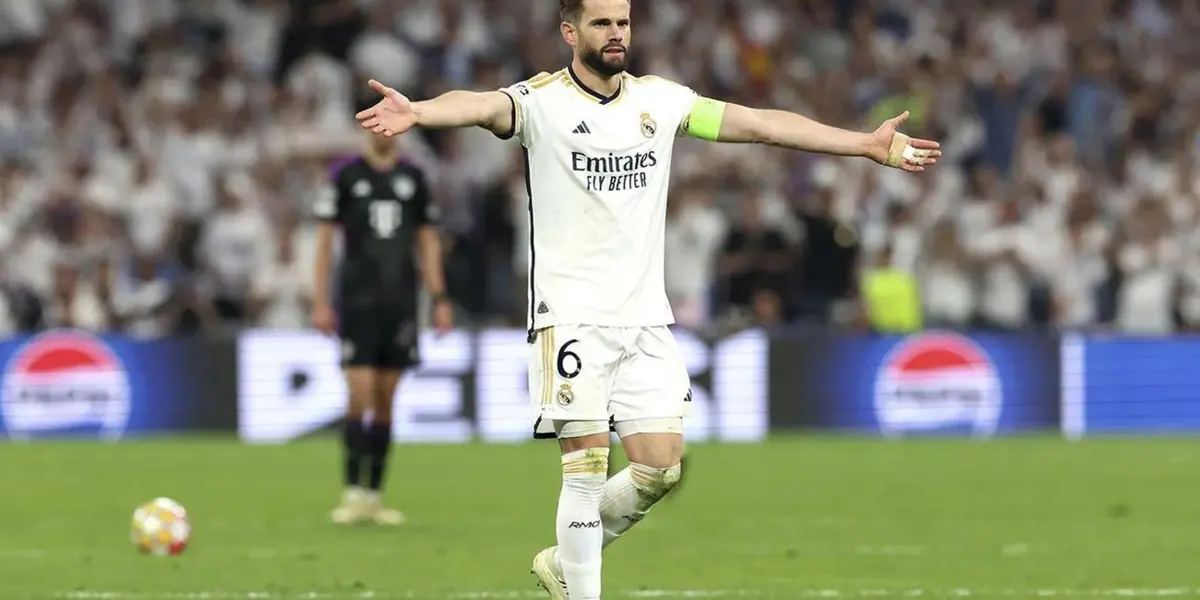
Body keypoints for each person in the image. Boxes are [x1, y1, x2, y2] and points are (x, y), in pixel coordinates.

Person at [354, 0, 940, 594]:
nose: (616, 34)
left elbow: (762, 124)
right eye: (602, 23)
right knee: (585, 468)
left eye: (624, 23)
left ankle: (568, 558)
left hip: (645, 318)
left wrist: (864, 144)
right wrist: (420, 112)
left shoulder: (662, 102)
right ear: (569, 30)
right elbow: (480, 105)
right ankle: (583, 588)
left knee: (660, 466)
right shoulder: (540, 103)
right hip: (572, 315)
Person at [311, 120, 454, 526]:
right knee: (360, 392)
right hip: (356, 302)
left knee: (387, 400)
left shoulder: (413, 178)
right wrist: (321, 301)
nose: (385, 132)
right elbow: (325, 242)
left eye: (391, 125)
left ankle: (374, 495)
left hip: (400, 303)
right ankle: (352, 493)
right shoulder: (345, 175)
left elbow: (426, 241)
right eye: (377, 124)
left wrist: (439, 298)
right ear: (366, 130)